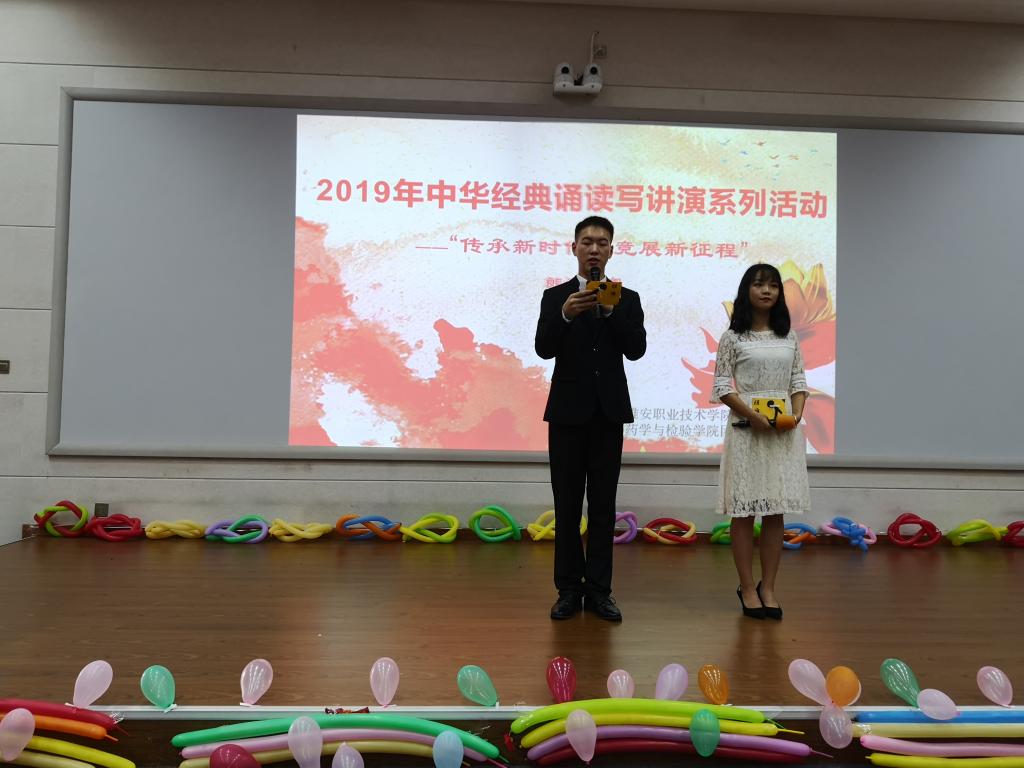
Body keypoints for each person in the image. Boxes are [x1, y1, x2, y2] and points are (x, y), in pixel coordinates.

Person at [535, 216, 647, 622]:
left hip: (608, 414)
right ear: (574, 248)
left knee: (603, 506)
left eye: (602, 242)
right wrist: (565, 315)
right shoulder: (555, 296)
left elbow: (636, 350)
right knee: (566, 505)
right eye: (587, 242)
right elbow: (543, 348)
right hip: (567, 414)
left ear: (612, 251)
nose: (594, 249)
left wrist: (611, 312)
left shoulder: (627, 298)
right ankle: (568, 590)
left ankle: (600, 591)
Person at [711, 263, 810, 620]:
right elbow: (721, 386)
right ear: (746, 290)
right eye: (758, 284)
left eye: (773, 285)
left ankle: (768, 587)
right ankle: (747, 587)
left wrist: (795, 416)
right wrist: (753, 416)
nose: (766, 291)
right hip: (747, 430)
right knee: (744, 510)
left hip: (782, 433)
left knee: (774, 510)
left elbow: (798, 381)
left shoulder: (789, 336)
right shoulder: (733, 337)